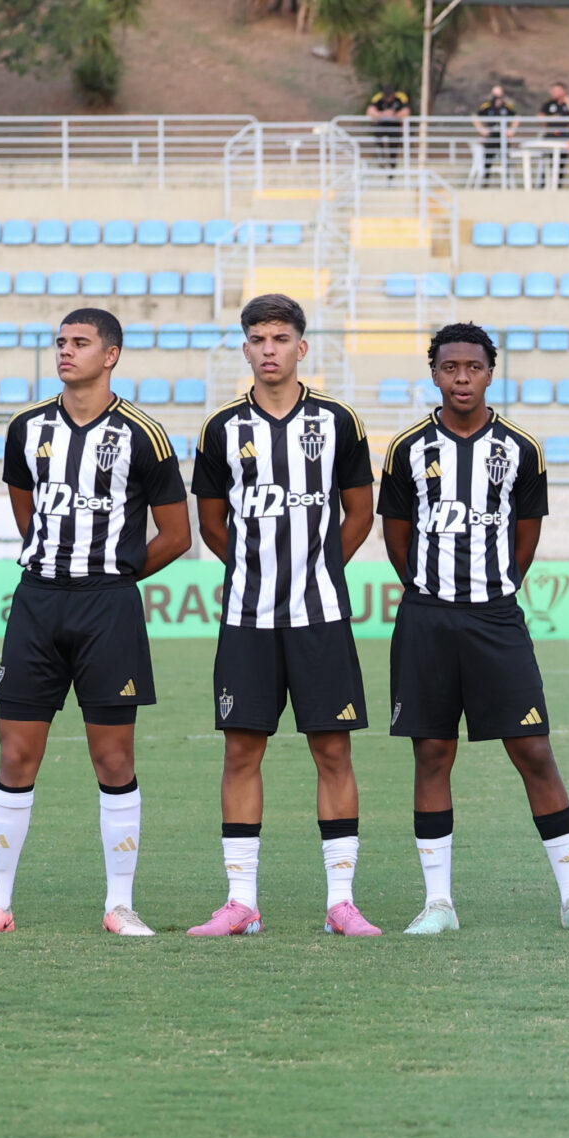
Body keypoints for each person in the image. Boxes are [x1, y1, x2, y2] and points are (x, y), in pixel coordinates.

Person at [379, 324, 569, 935]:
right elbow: (397, 536)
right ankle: (438, 904)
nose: (462, 378)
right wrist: (432, 591)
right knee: (432, 753)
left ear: (491, 372)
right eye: (450, 367)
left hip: (495, 619)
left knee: (534, 751)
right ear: (433, 372)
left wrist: (494, 585)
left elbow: (526, 533)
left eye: (474, 367)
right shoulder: (406, 448)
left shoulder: (520, 449)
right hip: (427, 618)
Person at [0, 307, 189, 938]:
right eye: (61, 342)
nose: (66, 352)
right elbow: (26, 512)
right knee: (15, 752)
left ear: (110, 354)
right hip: (37, 602)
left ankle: (120, 905)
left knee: (113, 757)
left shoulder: (144, 434)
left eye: (80, 343)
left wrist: (113, 575)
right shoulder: (27, 428)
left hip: (108, 608)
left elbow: (177, 535)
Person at [188, 295, 378, 938]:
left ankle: (341, 902)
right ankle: (241, 901)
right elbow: (212, 524)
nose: (268, 349)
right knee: (242, 750)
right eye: (257, 338)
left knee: (333, 750)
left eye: (280, 337)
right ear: (244, 348)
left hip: (320, 614)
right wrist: (255, 571)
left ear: (302, 346)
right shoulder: (220, 429)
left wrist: (319, 570)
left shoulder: (339, 422)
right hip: (247, 616)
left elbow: (360, 514)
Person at [538, 81, 569, 187]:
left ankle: (558, 186)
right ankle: (544, 185)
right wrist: (550, 118)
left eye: (557, 90)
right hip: (550, 136)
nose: (554, 93)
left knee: (561, 163)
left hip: (564, 137)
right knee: (547, 162)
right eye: (553, 90)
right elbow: (539, 117)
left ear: (564, 91)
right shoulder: (548, 103)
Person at [473, 85, 518, 186]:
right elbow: (475, 116)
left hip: (503, 137)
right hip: (491, 137)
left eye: (499, 95)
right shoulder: (487, 106)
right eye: (495, 95)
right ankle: (486, 180)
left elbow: (516, 117)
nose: (497, 97)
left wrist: (511, 131)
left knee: (506, 158)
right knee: (487, 158)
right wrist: (482, 130)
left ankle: (507, 182)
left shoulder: (507, 107)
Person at [364, 85, 411, 169]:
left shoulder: (400, 97)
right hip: (381, 126)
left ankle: (392, 169)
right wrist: (383, 114)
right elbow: (370, 111)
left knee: (393, 149)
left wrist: (394, 115)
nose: (388, 99)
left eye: (390, 96)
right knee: (378, 139)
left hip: (395, 127)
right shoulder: (378, 98)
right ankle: (381, 158)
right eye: (386, 96)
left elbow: (406, 111)